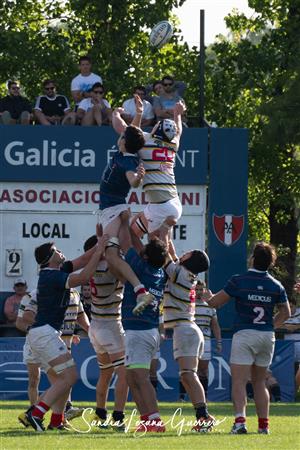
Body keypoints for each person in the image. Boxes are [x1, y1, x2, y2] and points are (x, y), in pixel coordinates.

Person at [24, 235, 107, 432]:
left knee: (63, 381)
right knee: (69, 377)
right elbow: (84, 276)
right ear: (49, 258)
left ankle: (56, 421)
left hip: (43, 334)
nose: (61, 252)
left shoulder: (56, 271)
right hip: (45, 333)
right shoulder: (51, 275)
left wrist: (99, 244)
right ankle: (36, 414)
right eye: (57, 250)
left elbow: (83, 259)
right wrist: (101, 249)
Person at [208, 241, 291, 434]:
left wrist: (206, 296)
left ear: (253, 259)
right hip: (266, 336)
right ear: (270, 263)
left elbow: (215, 303)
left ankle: (240, 423)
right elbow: (286, 312)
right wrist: (270, 326)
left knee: (239, 381)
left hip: (245, 334)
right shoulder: (276, 285)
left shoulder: (239, 280)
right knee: (260, 382)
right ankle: (263, 426)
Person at [99, 111, 154, 314]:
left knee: (112, 256)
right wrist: (138, 113)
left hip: (114, 210)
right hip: (115, 210)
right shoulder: (124, 152)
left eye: (122, 135)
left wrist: (139, 178)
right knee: (126, 255)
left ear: (124, 141)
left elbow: (133, 182)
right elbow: (132, 131)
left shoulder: (128, 162)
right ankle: (142, 288)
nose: (119, 136)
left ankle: (140, 290)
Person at [113, 96, 185, 245]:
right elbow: (178, 132)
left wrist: (116, 114)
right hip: (174, 202)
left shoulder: (145, 142)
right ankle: (173, 265)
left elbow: (128, 131)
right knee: (157, 241)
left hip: (160, 205)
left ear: (156, 129)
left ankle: (145, 267)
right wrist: (178, 114)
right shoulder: (173, 145)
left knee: (131, 235)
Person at [163, 249, 215, 432]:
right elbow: (172, 254)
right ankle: (203, 415)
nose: (183, 253)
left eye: (189, 253)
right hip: (188, 329)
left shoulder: (180, 273)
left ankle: (204, 416)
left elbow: (165, 255)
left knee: (188, 374)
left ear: (190, 260)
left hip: (186, 330)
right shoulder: (186, 273)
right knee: (187, 375)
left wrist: (164, 229)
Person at [122, 238, 168, 433]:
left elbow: (127, 242)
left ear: (146, 256)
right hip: (145, 330)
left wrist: (125, 221)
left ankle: (156, 420)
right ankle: (146, 419)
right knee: (132, 379)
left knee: (141, 378)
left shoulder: (140, 268)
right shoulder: (160, 273)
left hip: (140, 331)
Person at [83, 234, 127, 431]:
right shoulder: (112, 266)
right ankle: (119, 418)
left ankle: (100, 414)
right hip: (111, 325)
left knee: (105, 374)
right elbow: (127, 274)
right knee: (124, 374)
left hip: (95, 325)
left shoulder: (90, 269)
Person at [194, 280, 222, 397]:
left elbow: (215, 326)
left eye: (201, 289)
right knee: (189, 369)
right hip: (192, 340)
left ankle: (204, 396)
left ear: (205, 290)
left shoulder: (210, 306)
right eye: (196, 289)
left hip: (206, 341)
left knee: (203, 370)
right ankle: (183, 397)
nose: (199, 292)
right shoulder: (188, 305)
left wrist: (219, 342)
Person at [280, 297, 300, 390]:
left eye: (291, 306)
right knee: (288, 371)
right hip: (287, 347)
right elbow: (275, 324)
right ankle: (292, 393)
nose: (290, 309)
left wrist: (289, 326)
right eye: (288, 307)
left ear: (295, 305)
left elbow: (292, 328)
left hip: (299, 345)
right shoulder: (281, 314)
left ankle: (295, 391)